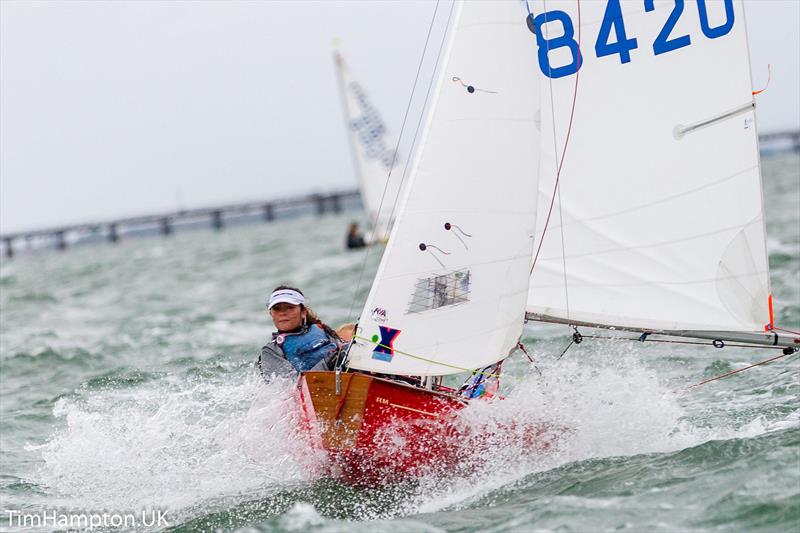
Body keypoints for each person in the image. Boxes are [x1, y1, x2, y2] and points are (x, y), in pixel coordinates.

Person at [257, 285, 353, 380]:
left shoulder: (322, 330)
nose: (282, 313)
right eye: (277, 308)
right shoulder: (271, 351)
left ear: (303, 312)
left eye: (289, 307)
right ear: (271, 314)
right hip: (318, 392)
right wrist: (328, 363)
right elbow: (290, 389)